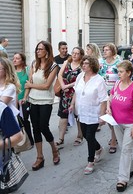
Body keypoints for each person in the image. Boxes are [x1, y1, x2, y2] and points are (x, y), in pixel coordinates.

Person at [23, 40, 60, 171]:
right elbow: (29, 82)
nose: (38, 51)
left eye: (40, 49)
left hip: (46, 101)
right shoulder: (34, 64)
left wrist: (30, 86)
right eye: (37, 49)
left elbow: (46, 86)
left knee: (44, 126)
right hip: (33, 100)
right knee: (36, 129)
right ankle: (40, 157)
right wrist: (25, 97)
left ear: (47, 51)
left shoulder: (53, 66)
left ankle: (54, 149)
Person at [106, 60, 133, 192]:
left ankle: (122, 179)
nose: (118, 74)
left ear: (128, 73)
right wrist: (109, 108)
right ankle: (130, 168)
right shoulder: (116, 84)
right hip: (117, 122)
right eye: (118, 71)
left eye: (121, 72)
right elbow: (110, 97)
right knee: (124, 148)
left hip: (130, 124)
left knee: (126, 150)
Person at [70, 56, 108, 175]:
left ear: (92, 65)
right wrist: (72, 104)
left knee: (90, 136)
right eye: (83, 63)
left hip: (93, 113)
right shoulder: (80, 77)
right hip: (82, 112)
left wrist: (102, 116)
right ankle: (98, 148)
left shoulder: (99, 80)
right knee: (86, 136)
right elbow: (76, 92)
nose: (83, 65)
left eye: (86, 63)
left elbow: (103, 99)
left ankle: (90, 161)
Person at [56, 47, 84, 147]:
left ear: (81, 55)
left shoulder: (82, 66)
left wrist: (67, 86)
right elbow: (59, 75)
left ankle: (80, 136)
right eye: (73, 53)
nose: (74, 55)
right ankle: (60, 138)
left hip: (76, 93)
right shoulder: (66, 63)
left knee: (77, 116)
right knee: (63, 115)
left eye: (77, 53)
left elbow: (80, 80)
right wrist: (62, 86)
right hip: (65, 93)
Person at [99, 43, 121, 154]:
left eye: (107, 50)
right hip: (103, 93)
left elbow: (122, 77)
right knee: (107, 117)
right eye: (104, 50)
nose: (105, 52)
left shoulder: (118, 63)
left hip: (114, 93)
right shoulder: (101, 63)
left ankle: (113, 141)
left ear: (112, 51)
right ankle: (115, 135)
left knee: (112, 116)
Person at [13, 52, 34, 146]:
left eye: (17, 58)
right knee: (15, 120)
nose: (14, 60)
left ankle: (29, 139)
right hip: (13, 100)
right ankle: (17, 142)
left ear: (22, 60)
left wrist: (24, 98)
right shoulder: (11, 71)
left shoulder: (27, 70)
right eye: (14, 58)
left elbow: (27, 85)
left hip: (24, 99)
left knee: (24, 119)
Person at [86, 43, 102, 132]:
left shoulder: (99, 60)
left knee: (98, 103)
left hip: (96, 83)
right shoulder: (87, 60)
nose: (87, 51)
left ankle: (98, 122)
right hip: (89, 83)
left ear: (93, 50)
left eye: (88, 49)